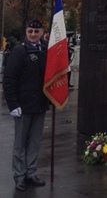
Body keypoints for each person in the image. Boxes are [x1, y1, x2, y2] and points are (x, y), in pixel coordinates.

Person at [3, 19, 49, 192]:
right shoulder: (19, 51)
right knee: (20, 143)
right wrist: (13, 104)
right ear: (26, 32)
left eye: (36, 32)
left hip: (40, 103)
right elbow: (9, 80)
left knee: (35, 141)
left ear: (42, 32)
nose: (33, 34)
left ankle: (31, 172)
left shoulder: (45, 50)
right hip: (22, 105)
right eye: (30, 31)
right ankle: (19, 175)